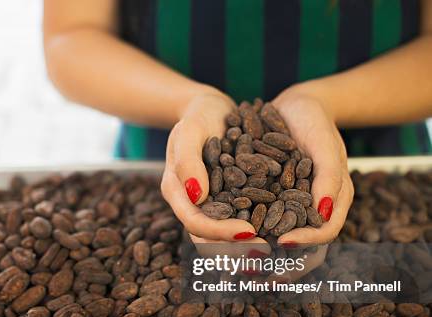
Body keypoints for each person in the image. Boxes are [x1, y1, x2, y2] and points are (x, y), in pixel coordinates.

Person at [43, 0, 432, 247]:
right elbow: (70, 38)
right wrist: (190, 103)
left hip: (382, 172)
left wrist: (321, 102)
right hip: (166, 170)